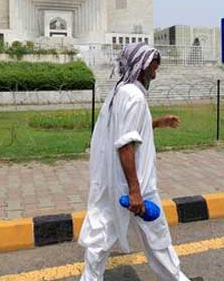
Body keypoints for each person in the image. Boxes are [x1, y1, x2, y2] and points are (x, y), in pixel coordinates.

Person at [78, 42, 195, 281]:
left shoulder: (120, 93)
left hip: (113, 183)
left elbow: (126, 129)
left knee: (101, 238)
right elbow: (125, 143)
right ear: (142, 65)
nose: (156, 71)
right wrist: (135, 191)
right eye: (154, 65)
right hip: (137, 184)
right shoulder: (134, 97)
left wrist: (157, 123)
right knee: (157, 238)